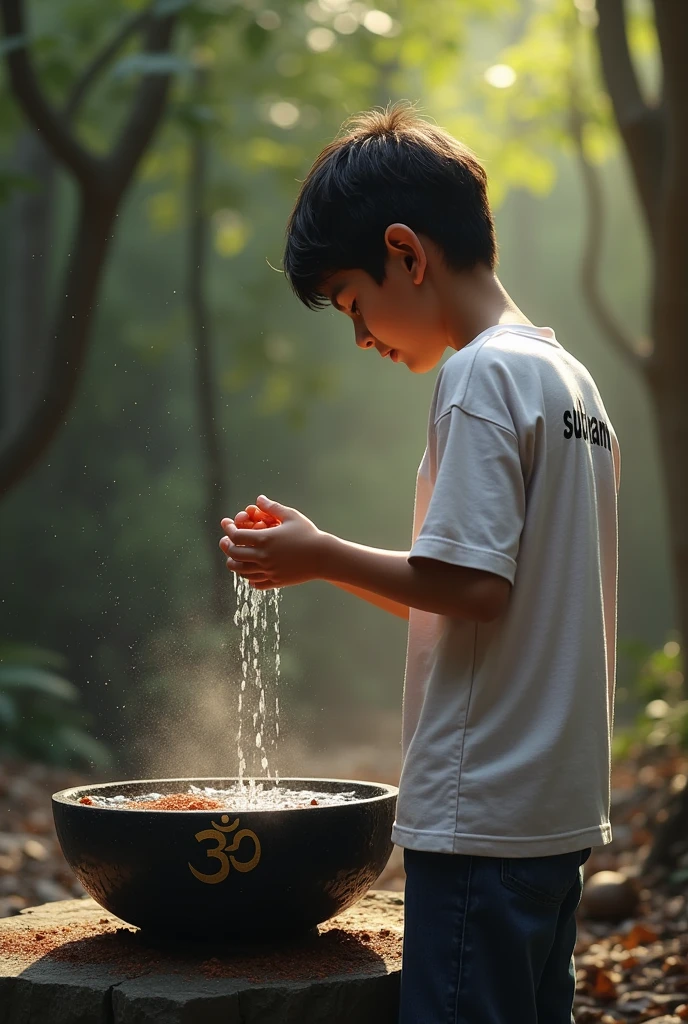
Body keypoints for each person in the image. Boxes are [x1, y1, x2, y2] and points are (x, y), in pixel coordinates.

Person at [218, 103, 620, 1024]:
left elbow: (475, 589)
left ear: (406, 251)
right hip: (554, 816)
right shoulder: (572, 383)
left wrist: (319, 556)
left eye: (356, 304)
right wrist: (329, 552)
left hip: (481, 814)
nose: (361, 337)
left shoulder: (477, 377)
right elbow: (485, 595)